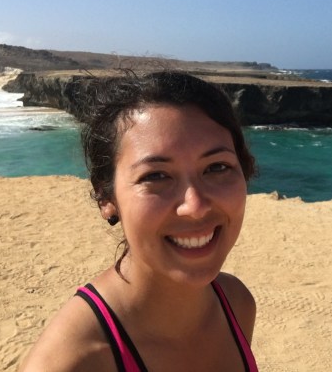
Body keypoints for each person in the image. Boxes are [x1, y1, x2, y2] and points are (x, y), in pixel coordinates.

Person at [21, 71, 258, 372]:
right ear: (106, 197)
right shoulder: (71, 363)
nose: (196, 206)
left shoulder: (236, 303)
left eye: (217, 167)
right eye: (155, 175)